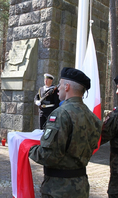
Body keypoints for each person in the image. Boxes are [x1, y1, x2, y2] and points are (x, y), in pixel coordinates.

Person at [29, 67, 102, 198]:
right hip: (81, 186)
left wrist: (27, 148)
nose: (58, 89)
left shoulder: (61, 114)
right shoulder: (93, 117)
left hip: (58, 188)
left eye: (60, 85)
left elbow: (48, 155)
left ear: (67, 86)